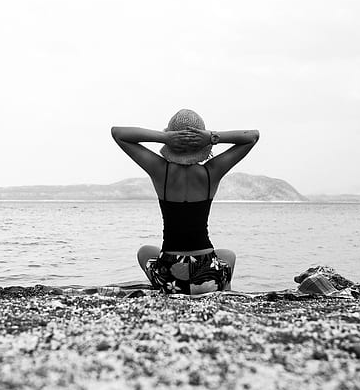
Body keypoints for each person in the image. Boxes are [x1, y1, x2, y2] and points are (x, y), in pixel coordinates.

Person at [111, 109, 259, 294]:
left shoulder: (160, 171)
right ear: (203, 146)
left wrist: (165, 138)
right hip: (207, 275)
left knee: (145, 251)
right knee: (228, 255)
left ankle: (171, 289)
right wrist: (211, 137)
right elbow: (252, 136)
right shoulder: (211, 172)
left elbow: (118, 133)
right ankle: (224, 290)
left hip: (170, 277)